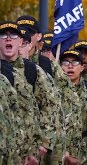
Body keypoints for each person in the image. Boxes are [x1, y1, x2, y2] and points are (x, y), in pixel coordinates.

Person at [0, 21, 64, 163]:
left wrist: (44, 143)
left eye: (13, 35)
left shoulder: (33, 71)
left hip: (30, 152)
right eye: (3, 35)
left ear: (21, 42)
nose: (8, 38)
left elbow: (51, 106)